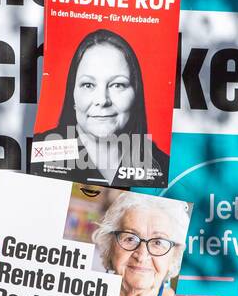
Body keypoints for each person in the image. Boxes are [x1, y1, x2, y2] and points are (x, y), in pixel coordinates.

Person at [30, 29, 171, 189]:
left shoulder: (161, 166)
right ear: (73, 96)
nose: (102, 100)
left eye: (117, 85)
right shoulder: (41, 152)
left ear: (136, 94)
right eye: (88, 85)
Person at [66, 191, 190, 296]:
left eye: (158, 242)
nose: (142, 255)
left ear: (174, 255)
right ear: (110, 246)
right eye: (130, 238)